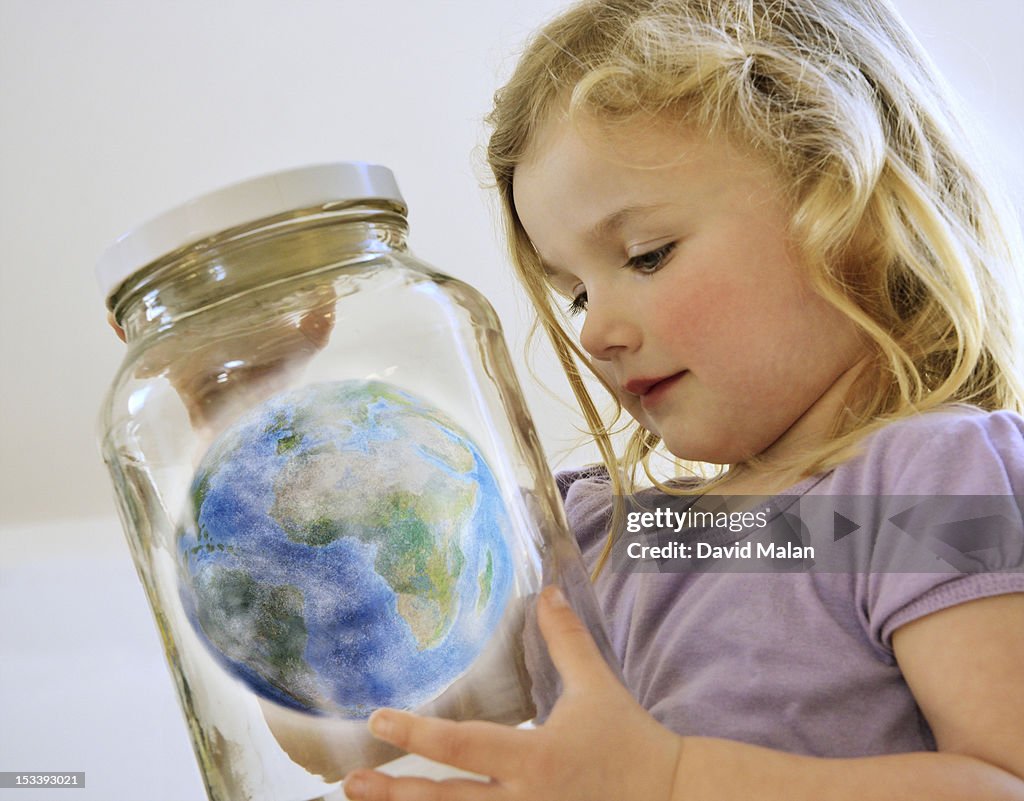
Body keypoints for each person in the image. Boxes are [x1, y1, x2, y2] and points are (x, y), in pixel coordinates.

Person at [341, 0, 1024, 798]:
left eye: (646, 255)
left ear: (851, 209)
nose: (594, 331)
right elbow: (344, 716)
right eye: (573, 295)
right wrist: (230, 401)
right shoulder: (594, 537)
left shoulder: (929, 488)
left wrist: (668, 781)